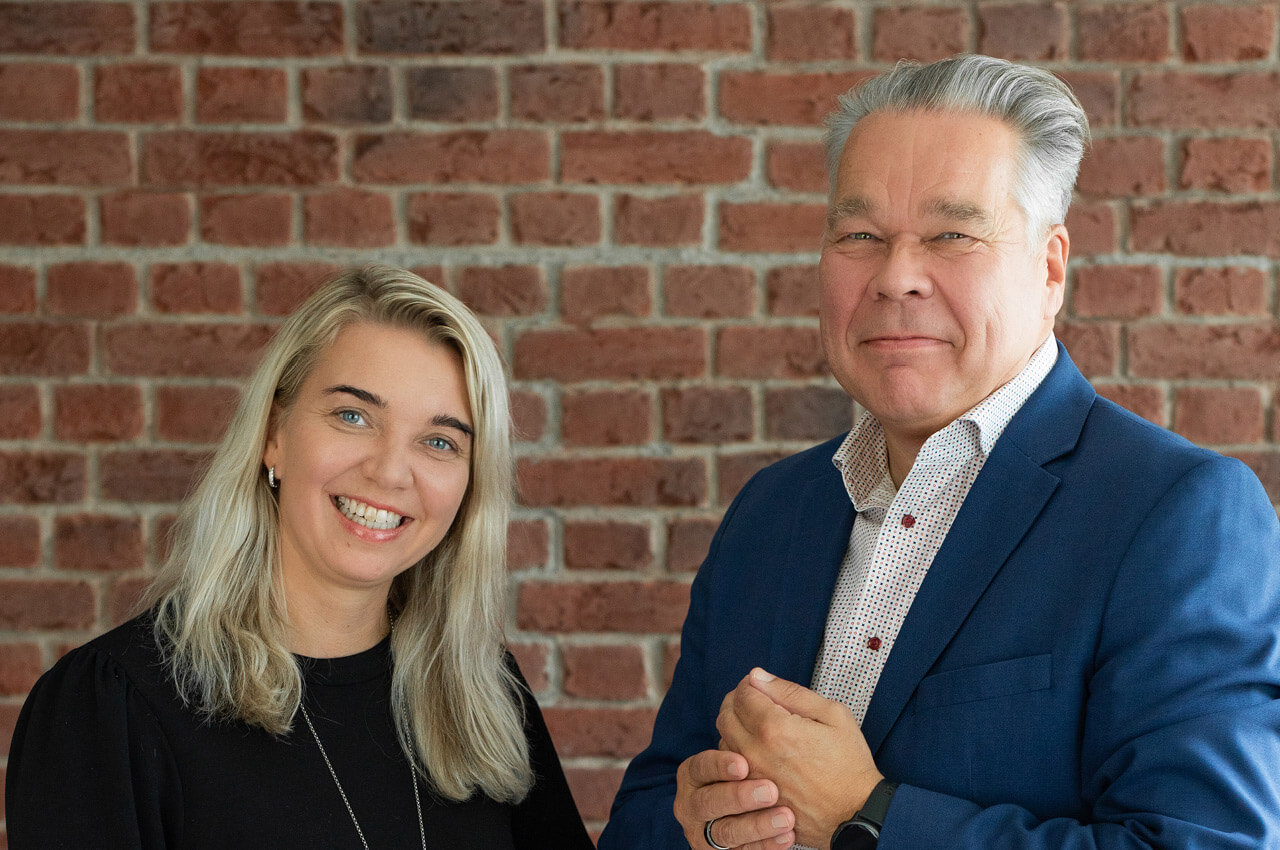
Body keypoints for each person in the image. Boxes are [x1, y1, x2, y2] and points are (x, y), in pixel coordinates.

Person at [598, 55, 1280, 850]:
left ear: (1049, 266)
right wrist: (700, 822)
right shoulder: (771, 511)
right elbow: (642, 819)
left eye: (952, 234)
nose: (896, 277)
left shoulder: (1176, 513)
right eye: (860, 235)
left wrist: (869, 814)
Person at [7, 265, 594, 849]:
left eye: (440, 442)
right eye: (353, 415)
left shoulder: (481, 695)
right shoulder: (111, 707)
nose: (390, 471)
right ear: (274, 434)